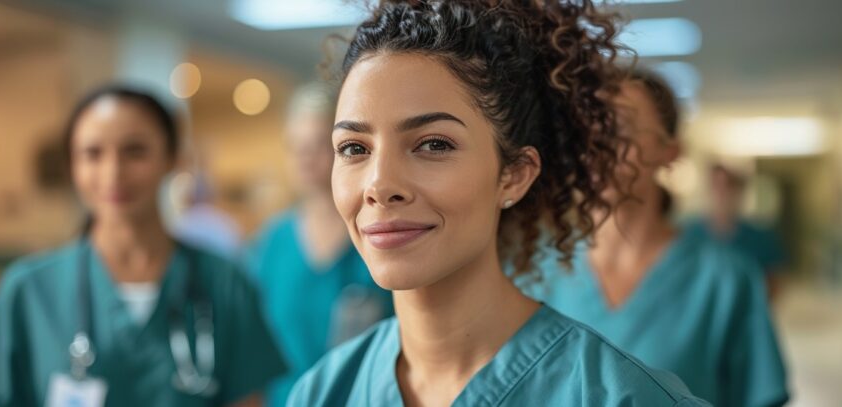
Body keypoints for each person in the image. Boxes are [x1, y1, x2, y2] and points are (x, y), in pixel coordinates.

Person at [288, 1, 707, 405]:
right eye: (353, 148)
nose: (379, 184)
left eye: (433, 144)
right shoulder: (323, 392)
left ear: (515, 174)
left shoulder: (622, 397)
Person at [0, 86, 285, 406]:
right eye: (92, 154)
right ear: (73, 166)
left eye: (135, 151)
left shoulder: (226, 283)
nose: (113, 173)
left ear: (172, 158)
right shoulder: (29, 289)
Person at [526, 69, 790, 406]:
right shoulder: (532, 272)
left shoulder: (725, 280)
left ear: (670, 151)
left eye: (619, 127)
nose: (598, 146)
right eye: (584, 129)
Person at [245, 82, 392, 406]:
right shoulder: (272, 244)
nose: (305, 159)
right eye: (296, 147)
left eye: (316, 146)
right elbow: (249, 348)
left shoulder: (380, 234)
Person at [684, 164, 788, 299]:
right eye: (716, 187)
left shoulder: (761, 239)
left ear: (740, 192)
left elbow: (774, 285)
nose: (721, 195)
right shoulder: (687, 236)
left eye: (728, 187)